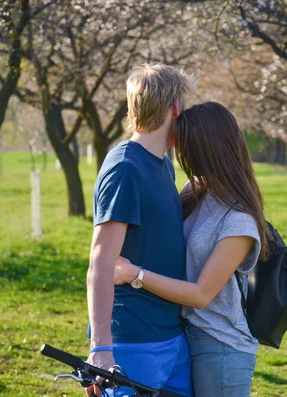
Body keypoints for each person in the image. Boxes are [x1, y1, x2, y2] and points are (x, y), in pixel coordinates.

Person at [114, 101, 269, 397]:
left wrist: (135, 274)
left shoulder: (240, 221)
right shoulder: (197, 191)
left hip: (220, 347)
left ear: (205, 148)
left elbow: (200, 294)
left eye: (184, 144)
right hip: (183, 337)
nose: (179, 151)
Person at [86, 63, 193, 397]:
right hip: (132, 341)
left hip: (173, 338)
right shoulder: (125, 168)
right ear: (175, 106)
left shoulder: (162, 164)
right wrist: (101, 348)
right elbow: (101, 261)